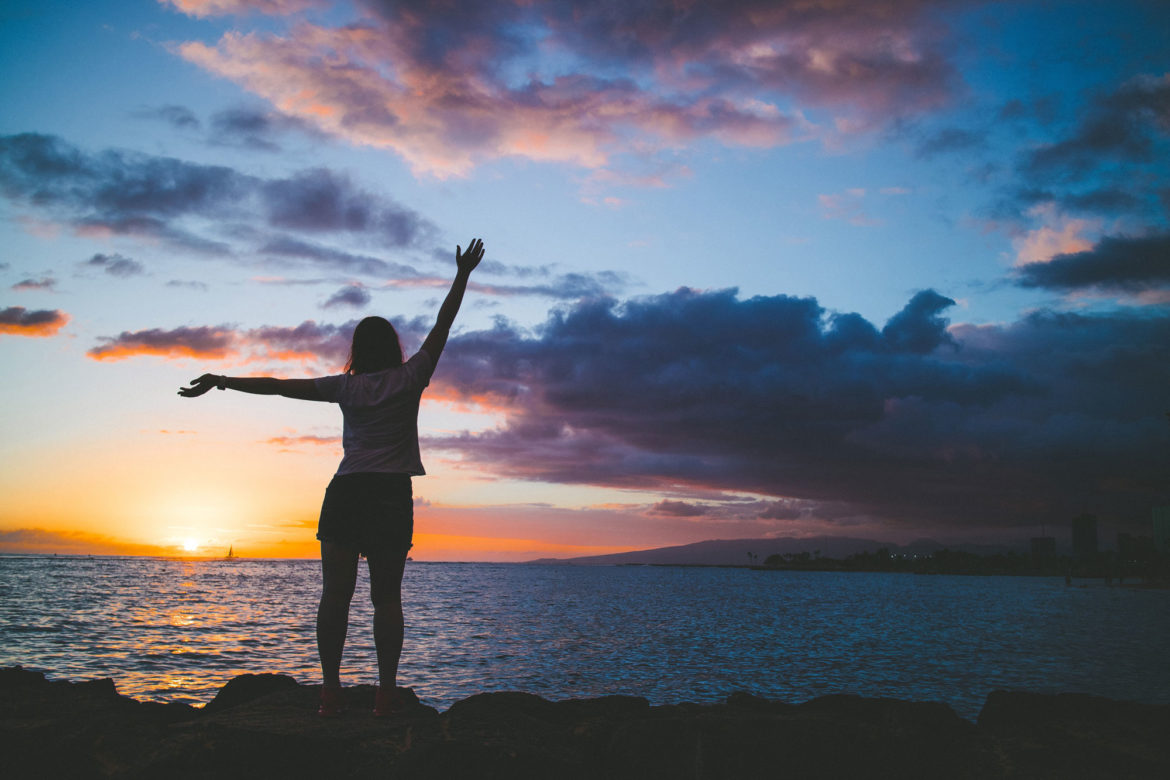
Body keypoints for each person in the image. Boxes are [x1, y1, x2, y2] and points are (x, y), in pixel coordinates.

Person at [179, 238, 485, 716]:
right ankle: (385, 695)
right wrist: (462, 274)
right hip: (389, 494)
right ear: (394, 348)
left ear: (357, 350)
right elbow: (443, 324)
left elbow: (280, 388)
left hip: (346, 492)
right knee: (386, 599)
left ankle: (330, 695)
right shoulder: (411, 377)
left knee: (335, 597)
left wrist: (222, 381)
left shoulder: (345, 387)